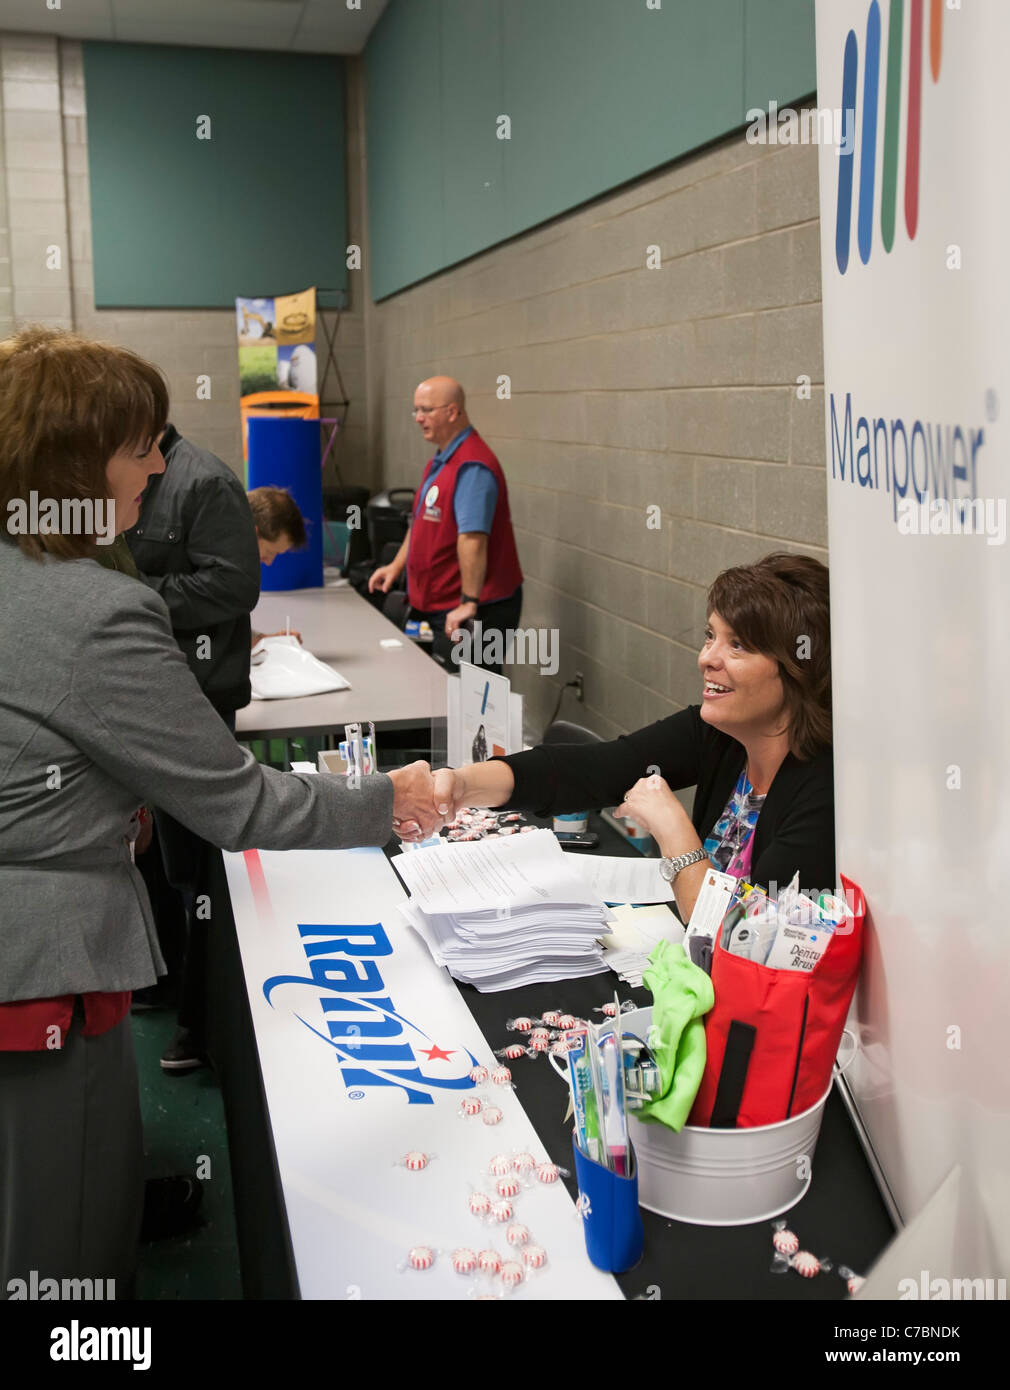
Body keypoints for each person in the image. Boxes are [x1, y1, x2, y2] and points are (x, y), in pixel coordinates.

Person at [0, 327, 445, 1295]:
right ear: (78, 461)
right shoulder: (94, 611)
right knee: (65, 1249)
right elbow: (238, 800)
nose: (159, 461)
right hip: (41, 973)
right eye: (137, 445)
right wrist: (390, 797)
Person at [426, 554, 835, 918]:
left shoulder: (823, 792)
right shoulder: (719, 734)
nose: (706, 658)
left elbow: (744, 936)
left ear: (799, 667)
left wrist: (672, 826)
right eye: (711, 636)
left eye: (739, 645)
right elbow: (593, 769)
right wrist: (461, 784)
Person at [368, 376, 523, 672]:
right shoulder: (441, 461)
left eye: (426, 410)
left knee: (475, 699)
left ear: (452, 412)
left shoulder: (472, 466)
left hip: (475, 608)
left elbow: (472, 539)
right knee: (439, 691)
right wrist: (396, 566)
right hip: (441, 605)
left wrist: (469, 601)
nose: (419, 418)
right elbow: (421, 524)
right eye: (416, 411)